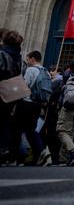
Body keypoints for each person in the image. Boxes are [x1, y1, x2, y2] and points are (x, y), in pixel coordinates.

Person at [12, 50, 51, 166]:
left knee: (17, 130)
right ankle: (39, 153)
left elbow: (24, 87)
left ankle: (17, 156)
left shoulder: (30, 70)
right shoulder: (46, 72)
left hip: (26, 103)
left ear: (33, 59)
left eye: (28, 59)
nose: (27, 61)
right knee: (30, 130)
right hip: (37, 105)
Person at [0, 30, 23, 163]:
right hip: (12, 93)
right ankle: (4, 149)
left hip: (2, 89)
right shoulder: (18, 56)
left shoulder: (2, 53)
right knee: (4, 122)